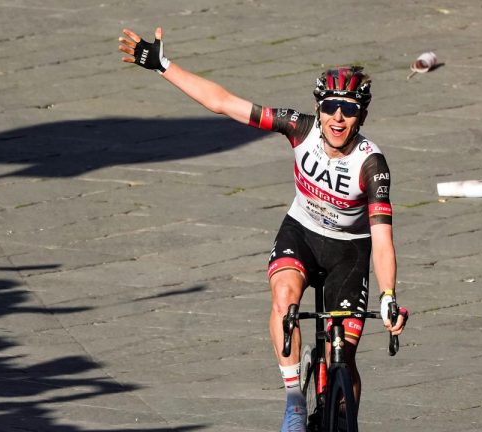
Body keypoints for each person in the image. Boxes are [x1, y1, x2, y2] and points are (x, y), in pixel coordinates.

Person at [118, 28, 408, 431]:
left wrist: (389, 295)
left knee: (343, 353)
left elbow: (381, 237)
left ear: (363, 114)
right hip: (302, 234)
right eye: (330, 107)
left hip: (348, 251)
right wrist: (164, 65)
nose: (338, 118)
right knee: (285, 300)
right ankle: (293, 400)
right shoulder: (299, 128)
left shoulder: (372, 164)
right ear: (318, 108)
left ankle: (344, 416)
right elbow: (224, 103)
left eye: (349, 109)